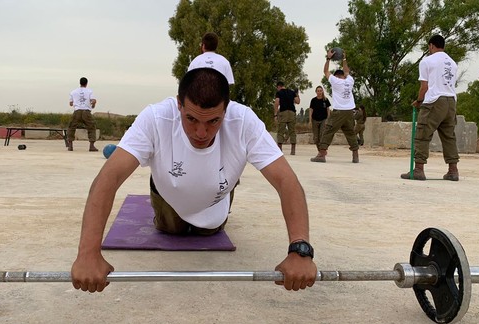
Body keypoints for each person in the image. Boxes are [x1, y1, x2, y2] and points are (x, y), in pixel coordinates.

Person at [70, 68, 317, 293]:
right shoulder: (156, 118)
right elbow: (108, 177)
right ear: (179, 105)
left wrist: (300, 249)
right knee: (171, 229)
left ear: (226, 109)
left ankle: (216, 203)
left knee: (207, 230)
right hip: (168, 196)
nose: (201, 133)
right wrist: (88, 253)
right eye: (192, 119)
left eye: (213, 121)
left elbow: (287, 181)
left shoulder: (244, 121)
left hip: (216, 199)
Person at [401, 34, 459, 181]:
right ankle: (453, 170)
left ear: (431, 45)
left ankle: (419, 169)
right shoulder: (452, 63)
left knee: (422, 133)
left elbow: (424, 86)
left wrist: (419, 101)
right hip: (451, 101)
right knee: (449, 136)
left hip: (434, 100)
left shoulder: (427, 61)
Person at [311, 50, 360, 163]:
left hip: (339, 112)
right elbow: (347, 71)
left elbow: (325, 71)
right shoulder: (350, 81)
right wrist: (344, 59)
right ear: (344, 76)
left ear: (337, 76)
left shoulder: (335, 81)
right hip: (350, 112)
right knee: (350, 132)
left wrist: (328, 58)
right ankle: (355, 155)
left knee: (328, 130)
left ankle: (321, 154)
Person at [67, 77, 98, 152]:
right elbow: (93, 100)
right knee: (91, 127)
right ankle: (91, 146)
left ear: (80, 83)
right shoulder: (90, 91)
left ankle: (70, 146)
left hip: (77, 111)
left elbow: (71, 103)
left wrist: (76, 102)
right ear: (86, 83)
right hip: (86, 111)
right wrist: (93, 104)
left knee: (71, 127)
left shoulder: (73, 92)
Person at [273, 82, 300, 155]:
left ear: (278, 87)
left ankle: (279, 148)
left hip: (283, 112)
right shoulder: (291, 92)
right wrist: (297, 94)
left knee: (280, 131)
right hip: (292, 112)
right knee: (292, 131)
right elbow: (297, 102)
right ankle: (293, 150)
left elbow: (276, 103)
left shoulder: (279, 93)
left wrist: (275, 114)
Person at [308, 86, 331, 151]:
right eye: (318, 91)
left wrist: (327, 119)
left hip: (323, 120)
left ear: (322, 91)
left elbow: (328, 110)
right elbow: (311, 110)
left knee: (322, 135)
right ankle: (319, 149)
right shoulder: (313, 100)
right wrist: (310, 120)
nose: (319, 92)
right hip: (315, 120)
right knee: (316, 137)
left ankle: (322, 150)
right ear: (316, 92)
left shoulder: (325, 100)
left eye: (320, 91)